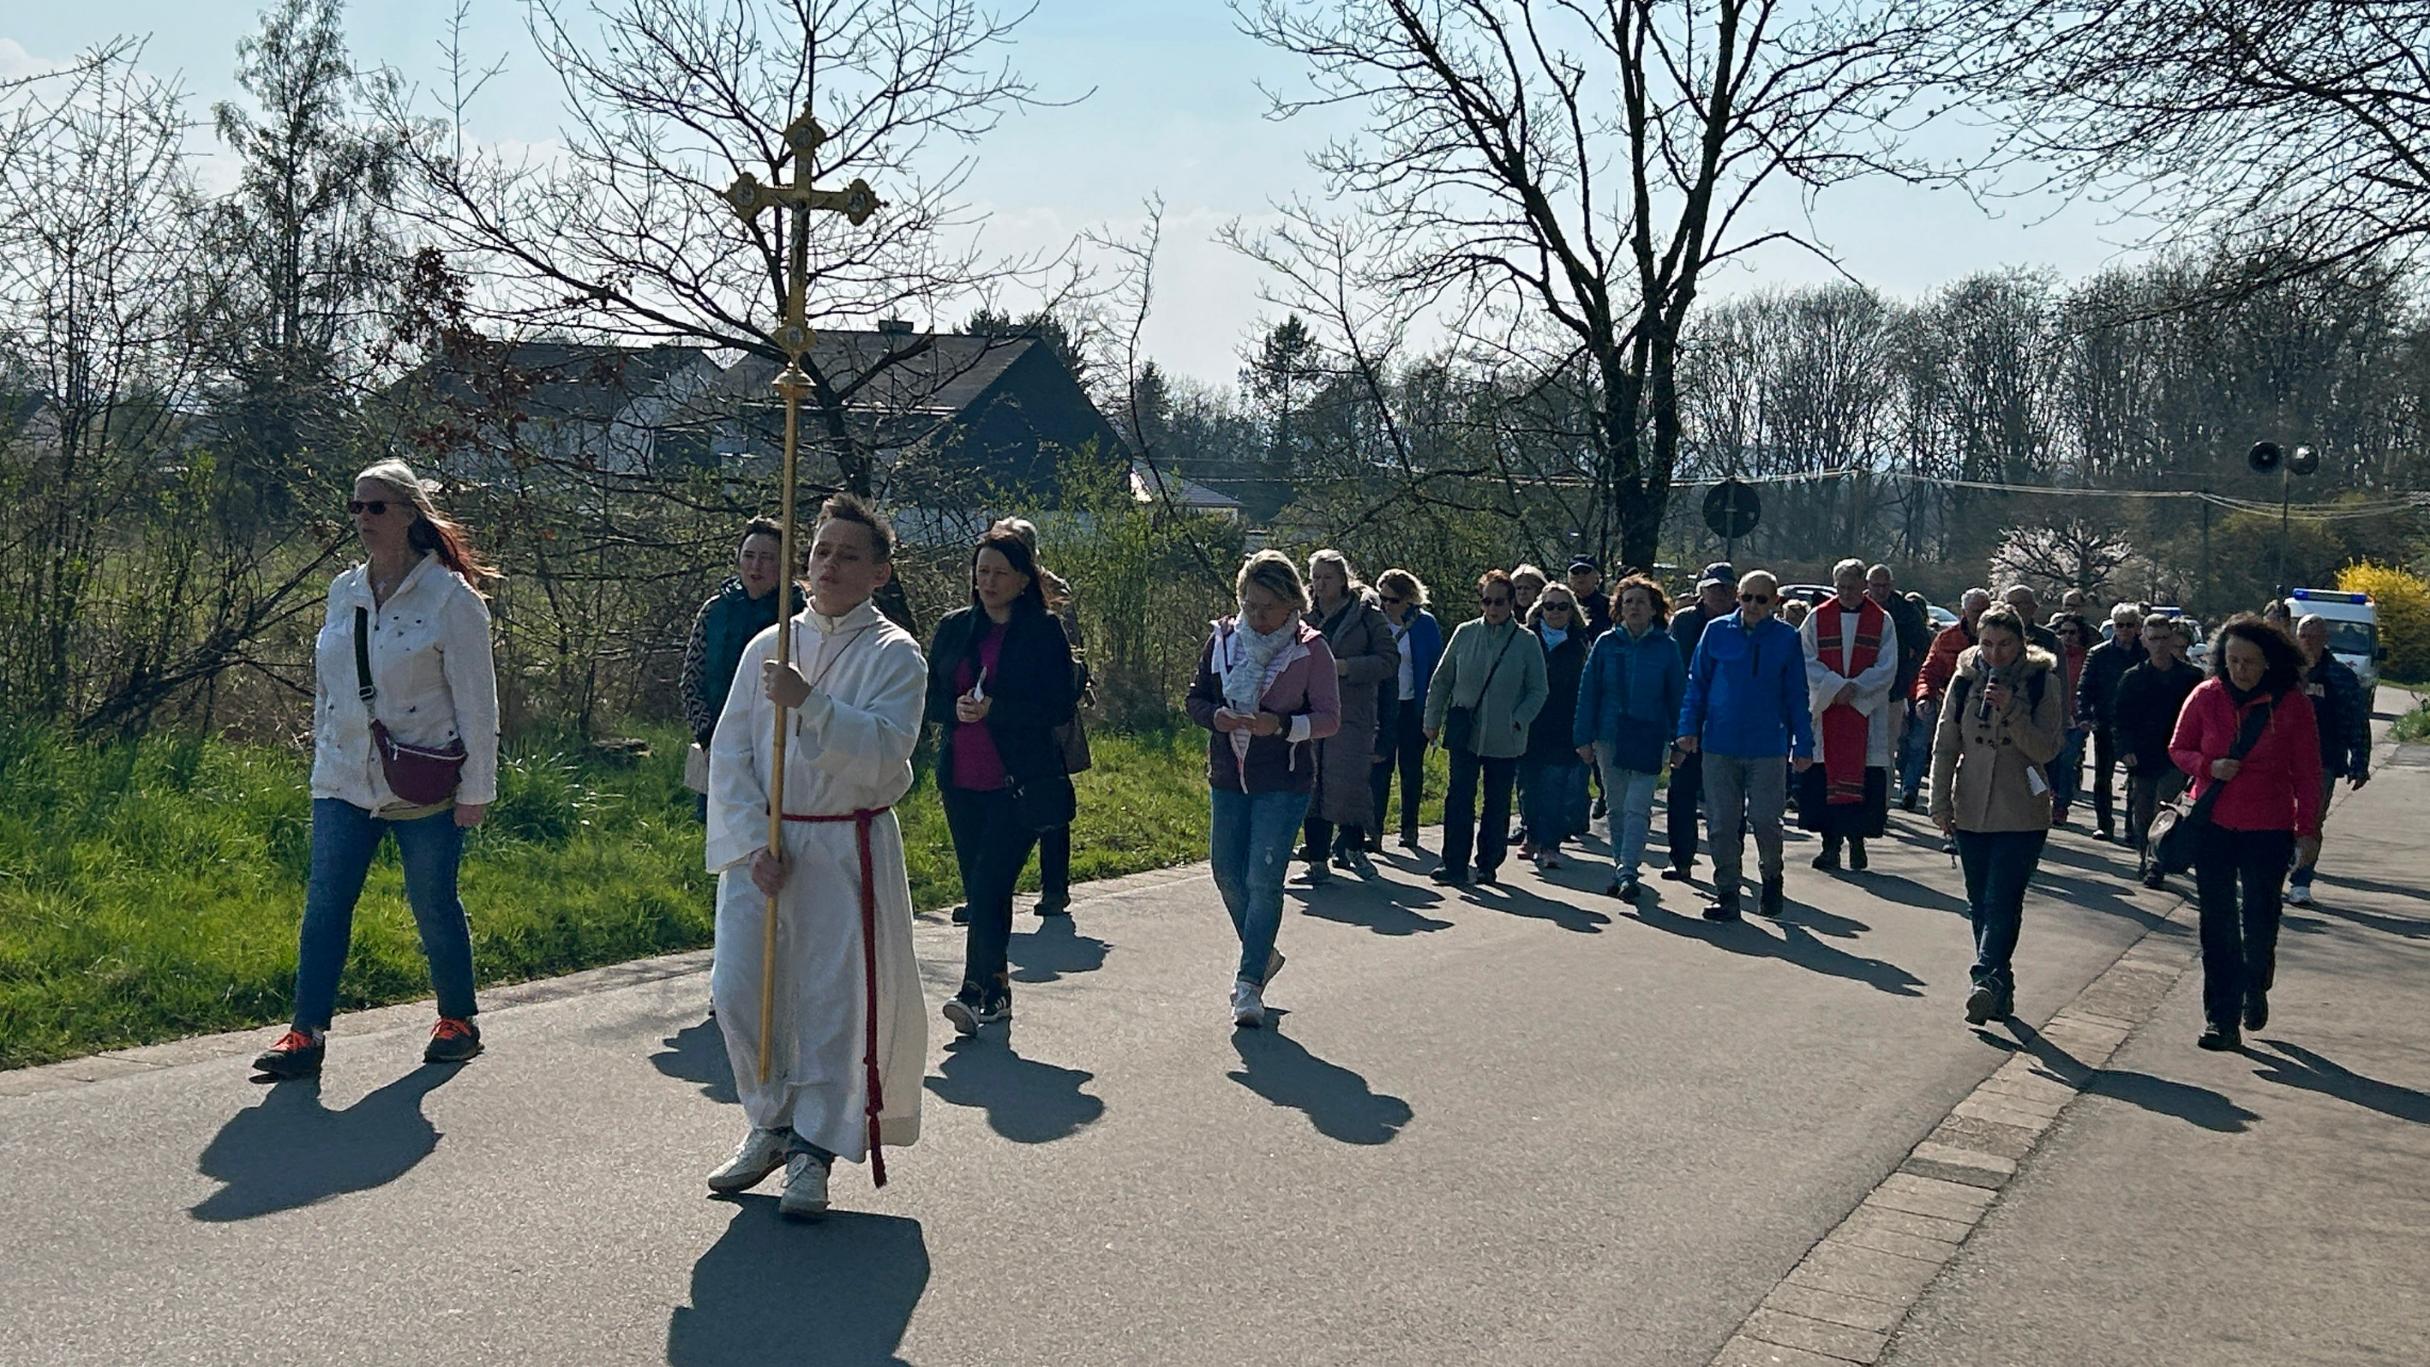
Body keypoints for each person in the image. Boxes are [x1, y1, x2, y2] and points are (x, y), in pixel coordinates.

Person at [697, 494, 928, 1218]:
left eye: (848, 554)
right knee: (742, 988)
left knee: (829, 1000)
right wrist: (746, 841)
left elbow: (887, 756)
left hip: (841, 844)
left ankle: (814, 1151)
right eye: (822, 551)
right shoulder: (767, 645)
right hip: (766, 845)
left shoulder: (895, 654)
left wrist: (812, 706)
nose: (829, 565)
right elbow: (731, 751)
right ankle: (768, 1119)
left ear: (879, 573)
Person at [251, 461, 501, 1081]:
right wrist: (321, 753)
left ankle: (458, 1020)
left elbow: (477, 702)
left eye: (377, 507)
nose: (363, 519)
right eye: (356, 507)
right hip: (343, 777)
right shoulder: (345, 590)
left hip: (421, 777)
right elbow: (327, 685)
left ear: (410, 514)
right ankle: (304, 1034)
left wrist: (476, 790)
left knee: (432, 901)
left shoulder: (452, 600)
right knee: (326, 905)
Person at [925, 529, 1078, 1037]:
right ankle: (998, 991)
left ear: (1022, 581)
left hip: (1019, 781)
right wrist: (957, 709)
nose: (987, 582)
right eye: (981, 571)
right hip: (962, 777)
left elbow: (1058, 706)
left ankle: (973, 991)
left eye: (999, 573)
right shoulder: (953, 629)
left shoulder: (1043, 631)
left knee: (990, 883)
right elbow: (927, 698)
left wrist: (998, 710)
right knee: (982, 887)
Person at [1185, 551, 1340, 1028]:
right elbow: (1196, 699)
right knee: (1226, 873)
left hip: (1283, 781)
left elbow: (1330, 719)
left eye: (1268, 608)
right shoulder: (1224, 641)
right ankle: (1263, 952)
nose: (1257, 616)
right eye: (1250, 605)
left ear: (1292, 603)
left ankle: (1248, 983)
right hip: (1228, 776)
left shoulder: (1311, 650)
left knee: (1262, 879)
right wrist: (1216, 717)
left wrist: (1284, 725)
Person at [2171, 615, 2321, 1049]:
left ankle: (2255, 984)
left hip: (2269, 826)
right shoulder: (2206, 695)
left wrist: (2307, 830)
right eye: (2233, 660)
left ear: (2270, 663)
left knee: (2259, 918)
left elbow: (2308, 773)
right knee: (2216, 922)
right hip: (2214, 822)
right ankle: (2221, 1017)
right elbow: (2178, 748)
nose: (2240, 670)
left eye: (2250, 662)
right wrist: (2207, 766)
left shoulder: (2292, 705)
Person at [1930, 604, 2066, 1025]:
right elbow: (1946, 744)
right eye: (1987, 643)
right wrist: (1939, 803)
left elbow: (2047, 748)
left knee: (2002, 897)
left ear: (2022, 642)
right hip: (1971, 803)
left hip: (2022, 805)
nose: (1995, 653)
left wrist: (2012, 710)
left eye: (2005, 644)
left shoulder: (2043, 679)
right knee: (1979, 902)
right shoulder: (1964, 677)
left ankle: (1984, 977)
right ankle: (1998, 985)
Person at [1677, 570, 1815, 921]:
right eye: (1746, 597)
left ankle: (1772, 877)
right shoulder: (1717, 631)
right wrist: (1687, 728)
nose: (1752, 605)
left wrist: (1803, 743)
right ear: (1738, 597)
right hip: (1719, 743)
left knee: (1765, 819)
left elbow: (1797, 694)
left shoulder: (1786, 639)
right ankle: (1727, 892)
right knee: (1722, 822)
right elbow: (1697, 683)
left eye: (1761, 599)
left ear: (1775, 603)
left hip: (1767, 745)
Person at [1423, 569, 1550, 888]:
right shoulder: (1465, 633)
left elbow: (1538, 689)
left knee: (1496, 802)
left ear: (1511, 603)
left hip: (1505, 738)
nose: (1492, 608)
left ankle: (1487, 864)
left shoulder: (1526, 641)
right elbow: (1442, 680)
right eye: (1487, 601)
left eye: (1499, 601)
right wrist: (1431, 720)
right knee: (1459, 798)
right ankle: (1453, 863)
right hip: (1465, 733)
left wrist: (1519, 718)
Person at [990, 517, 1090, 918]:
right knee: (996, 798)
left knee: (1048, 796)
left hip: (1048, 712)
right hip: (1000, 710)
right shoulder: (992, 588)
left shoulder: (1054, 593)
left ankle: (1054, 887)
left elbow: (1072, 653)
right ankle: (991, 889)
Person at [1574, 576, 1685, 902]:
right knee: (1618, 806)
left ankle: (1628, 871)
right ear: (1618, 608)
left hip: (1650, 736)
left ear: (1654, 609)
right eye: (1628, 602)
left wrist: (1681, 741)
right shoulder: (1607, 644)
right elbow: (1589, 692)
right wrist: (1583, 737)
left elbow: (1677, 697)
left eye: (1641, 602)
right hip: (1610, 735)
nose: (1634, 607)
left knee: (1638, 807)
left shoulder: (1667, 647)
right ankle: (1621, 865)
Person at [1298, 550, 1399, 882]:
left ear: (1343, 579)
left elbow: (1388, 660)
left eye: (1328, 577)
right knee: (1311, 783)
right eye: (1315, 577)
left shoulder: (1366, 614)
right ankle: (1316, 860)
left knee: (1348, 783)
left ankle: (1354, 847)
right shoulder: (1304, 617)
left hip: (1352, 713)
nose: (1321, 584)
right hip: (1311, 711)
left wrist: (1346, 668)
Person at [1798, 559, 1898, 872]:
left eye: (1852, 588)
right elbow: (1804, 656)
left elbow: (1887, 665)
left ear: (1863, 587)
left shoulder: (1881, 621)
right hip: (1829, 709)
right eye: (1840, 588)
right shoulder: (1817, 617)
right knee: (1826, 778)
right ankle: (1830, 846)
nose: (1845, 593)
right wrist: (1833, 687)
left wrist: (1855, 688)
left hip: (1864, 710)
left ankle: (1857, 842)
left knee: (1863, 780)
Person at [682, 519, 787, 812]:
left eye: (768, 559)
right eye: (749, 556)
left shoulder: (798, 614)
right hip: (720, 746)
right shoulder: (715, 610)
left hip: (780, 752)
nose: (757, 567)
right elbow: (691, 682)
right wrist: (707, 738)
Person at [2288, 614, 2373, 905]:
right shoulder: (2284, 674)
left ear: (2325, 639)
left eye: (2314, 635)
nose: (2308, 641)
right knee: (2278, 818)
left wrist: (2360, 762)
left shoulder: (2340, 677)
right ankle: (2276, 870)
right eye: (2303, 635)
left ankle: (2301, 881)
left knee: (2311, 821)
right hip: (2280, 759)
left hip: (2322, 762)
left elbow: (2356, 721)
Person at [1662, 564, 1738, 882]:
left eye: (1725, 588)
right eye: (1713, 588)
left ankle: (1730, 862)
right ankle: (1681, 859)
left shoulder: (1745, 621)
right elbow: (1674, 672)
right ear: (1701, 591)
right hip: (1689, 720)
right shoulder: (1684, 622)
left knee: (1729, 800)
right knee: (1681, 792)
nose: (1719, 594)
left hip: (1729, 724)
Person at [2112, 615, 2202, 885]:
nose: (2160, 644)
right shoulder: (2132, 678)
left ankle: (2155, 863)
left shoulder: (2190, 678)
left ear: (2173, 639)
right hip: (2142, 756)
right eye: (2154, 639)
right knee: (2143, 812)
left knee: (2166, 808)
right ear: (2144, 641)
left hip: (2176, 756)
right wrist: (2124, 749)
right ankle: (2145, 856)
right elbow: (2119, 719)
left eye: (2165, 638)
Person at [1521, 583, 1593, 870]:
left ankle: (1550, 845)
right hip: (1529, 723)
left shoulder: (1580, 643)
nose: (1555, 612)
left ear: (1571, 611)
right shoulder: (1527, 639)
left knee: (1555, 787)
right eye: (1549, 606)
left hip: (1564, 725)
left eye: (1562, 606)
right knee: (1528, 786)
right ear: (1540, 609)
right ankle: (1531, 833)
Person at [1372, 568, 1444, 850]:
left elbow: (1436, 667)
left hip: (1413, 706)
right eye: (1382, 599)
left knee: (1411, 769)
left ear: (1407, 599)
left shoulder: (1424, 624)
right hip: (1383, 707)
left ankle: (1409, 828)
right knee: (1379, 768)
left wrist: (1433, 711)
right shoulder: (1375, 623)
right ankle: (1373, 830)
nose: (1386, 605)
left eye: (1391, 599)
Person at [1917, 588, 1992, 850]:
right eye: (1975, 612)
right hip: (1954, 710)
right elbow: (1929, 670)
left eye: (1985, 610)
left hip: (1989, 716)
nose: (1981, 617)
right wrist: (1924, 696)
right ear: (1964, 613)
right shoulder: (1947, 639)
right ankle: (1951, 828)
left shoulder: (1998, 640)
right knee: (1948, 764)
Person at [2073, 602, 2146, 842]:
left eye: (2129, 625)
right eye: (2119, 625)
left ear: (2137, 627)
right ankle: (2105, 824)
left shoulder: (2145, 654)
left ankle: (2132, 827)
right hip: (2106, 723)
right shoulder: (2099, 653)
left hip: (2137, 725)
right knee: (2103, 777)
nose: (2124, 630)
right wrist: (2085, 715)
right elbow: (2085, 687)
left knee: (2136, 779)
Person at [1866, 565, 1930, 811]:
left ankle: (1880, 805)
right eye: (1875, 585)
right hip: (1856, 690)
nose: (1880, 590)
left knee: (1885, 750)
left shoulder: (1905, 611)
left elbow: (1923, 646)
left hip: (1892, 692)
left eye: (1885, 585)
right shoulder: (1856, 607)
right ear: (1868, 585)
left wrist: (1904, 676)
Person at [2044, 612, 2095, 826]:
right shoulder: (2049, 658)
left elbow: (2092, 688)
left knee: (2066, 763)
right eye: (2062, 632)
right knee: (2048, 762)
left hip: (2076, 721)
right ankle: (2044, 800)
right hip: (2049, 720)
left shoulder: (2087, 658)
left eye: (2072, 632)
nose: (2067, 636)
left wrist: (2086, 718)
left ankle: (2061, 805)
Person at [2001, 585, 2063, 653]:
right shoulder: (1996, 635)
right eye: (2009, 604)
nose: (2012, 608)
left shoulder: (2049, 638)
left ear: (2033, 607)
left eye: (2017, 604)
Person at [1568, 558, 1613, 636]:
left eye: (1585, 571)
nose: (1580, 576)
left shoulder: (1610, 606)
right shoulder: (1563, 605)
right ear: (1569, 579)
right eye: (1575, 572)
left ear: (1597, 577)